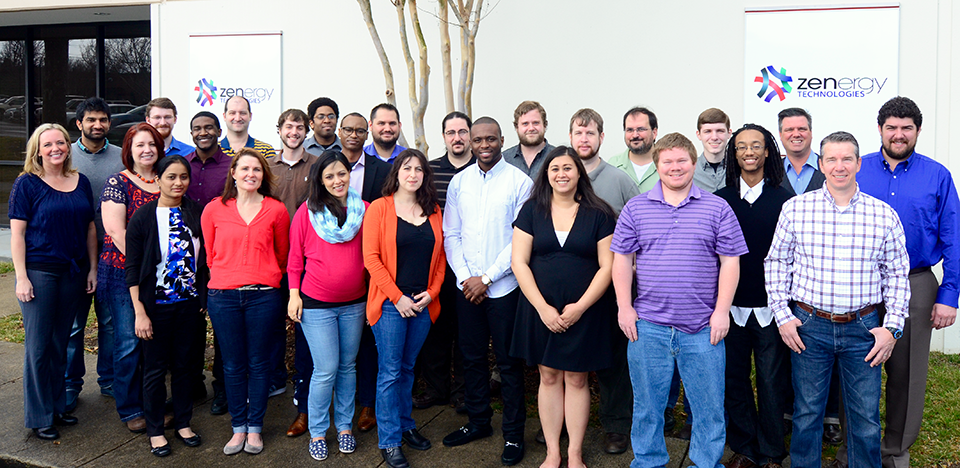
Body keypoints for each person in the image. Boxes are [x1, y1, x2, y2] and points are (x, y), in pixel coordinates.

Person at [765, 131, 911, 468]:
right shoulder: (796, 209)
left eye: (847, 159)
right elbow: (776, 263)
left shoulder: (883, 214)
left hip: (864, 330)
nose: (839, 166)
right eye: (831, 159)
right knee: (807, 414)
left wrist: (892, 328)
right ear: (821, 163)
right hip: (809, 327)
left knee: (865, 420)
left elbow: (897, 275)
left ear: (859, 164)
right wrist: (783, 316)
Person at [612, 133, 747, 468]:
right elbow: (622, 260)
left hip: (703, 328)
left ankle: (705, 463)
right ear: (657, 166)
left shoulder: (717, 207)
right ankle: (649, 462)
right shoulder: (636, 207)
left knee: (709, 409)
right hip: (649, 327)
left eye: (682, 161)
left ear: (693, 162)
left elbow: (730, 261)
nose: (675, 168)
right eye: (667, 161)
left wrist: (721, 313)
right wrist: (625, 308)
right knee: (647, 409)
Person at [839, 97, 959, 468]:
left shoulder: (937, 175)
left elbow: (953, 237)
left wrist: (949, 294)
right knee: (856, 367)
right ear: (880, 129)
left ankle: (894, 448)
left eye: (907, 128)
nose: (899, 134)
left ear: (918, 131)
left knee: (907, 372)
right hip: (860, 284)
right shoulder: (858, 169)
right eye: (891, 127)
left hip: (916, 282)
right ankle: (854, 446)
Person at [511, 146, 616, 468]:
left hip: (585, 311)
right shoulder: (532, 211)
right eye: (554, 168)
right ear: (546, 175)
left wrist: (580, 307)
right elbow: (519, 262)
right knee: (549, 375)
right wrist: (542, 307)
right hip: (540, 310)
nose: (561, 174)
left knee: (578, 379)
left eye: (568, 168)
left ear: (579, 173)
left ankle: (574, 454)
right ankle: (553, 452)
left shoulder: (599, 214)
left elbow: (607, 267)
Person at [442, 117, 532, 466]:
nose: (483, 144)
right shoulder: (459, 182)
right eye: (477, 138)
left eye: (490, 139)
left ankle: (513, 435)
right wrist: (467, 277)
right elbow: (452, 233)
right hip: (467, 289)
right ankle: (478, 422)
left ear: (501, 140)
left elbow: (519, 239)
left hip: (504, 287)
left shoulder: (519, 182)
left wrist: (488, 278)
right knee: (472, 358)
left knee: (509, 364)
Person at [201, 148, 290, 455]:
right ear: (234, 173)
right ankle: (238, 427)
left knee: (259, 362)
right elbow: (210, 255)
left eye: (257, 169)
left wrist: (261, 275)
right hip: (223, 297)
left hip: (263, 297)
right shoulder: (214, 209)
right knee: (234, 365)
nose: (250, 174)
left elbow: (281, 254)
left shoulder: (276, 210)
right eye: (245, 169)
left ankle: (255, 428)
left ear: (263, 175)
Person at [10, 123, 96, 440]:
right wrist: (21, 277)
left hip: (73, 272)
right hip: (39, 272)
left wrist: (92, 269)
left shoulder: (80, 181)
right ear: (38, 150)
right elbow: (17, 234)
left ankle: (58, 406)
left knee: (62, 343)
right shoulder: (27, 184)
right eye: (48, 144)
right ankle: (40, 415)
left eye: (60, 142)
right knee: (38, 347)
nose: (55, 148)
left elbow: (89, 228)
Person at [714, 124, 792, 468]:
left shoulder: (785, 200)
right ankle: (744, 447)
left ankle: (773, 451)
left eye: (756, 146)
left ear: (767, 153)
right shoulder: (720, 199)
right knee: (733, 379)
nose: (748, 152)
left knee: (772, 380)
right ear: (734, 154)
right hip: (728, 307)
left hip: (772, 307)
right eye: (742, 146)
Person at [363, 149, 446, 468]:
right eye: (406, 168)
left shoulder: (433, 210)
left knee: (409, 368)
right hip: (389, 305)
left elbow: (440, 258)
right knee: (390, 372)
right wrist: (397, 297)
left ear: (425, 175)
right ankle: (390, 440)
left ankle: (405, 425)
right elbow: (371, 258)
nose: (412, 174)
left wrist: (432, 292)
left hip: (423, 304)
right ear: (396, 172)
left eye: (419, 169)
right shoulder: (380, 209)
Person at [566, 109, 639, 455]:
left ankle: (615, 426)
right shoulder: (561, 176)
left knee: (612, 359)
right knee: (567, 358)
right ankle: (564, 425)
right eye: (578, 133)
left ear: (601, 138)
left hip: (612, 285)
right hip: (568, 285)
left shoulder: (619, 179)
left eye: (590, 133)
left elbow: (640, 227)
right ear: (570, 138)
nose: (584, 139)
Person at [287, 152, 368, 460]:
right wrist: (294, 296)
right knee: (326, 369)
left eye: (342, 174)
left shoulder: (364, 211)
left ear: (350, 174)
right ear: (321, 180)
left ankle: (345, 427)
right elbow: (295, 260)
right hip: (317, 304)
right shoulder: (307, 213)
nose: (338, 181)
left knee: (348, 367)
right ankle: (318, 431)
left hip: (355, 303)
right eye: (330, 176)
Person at [125, 155, 206, 457]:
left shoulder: (195, 212)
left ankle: (183, 423)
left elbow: (205, 262)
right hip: (154, 307)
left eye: (183, 176)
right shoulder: (143, 218)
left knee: (186, 368)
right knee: (155, 370)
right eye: (171, 177)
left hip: (188, 307)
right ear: (157, 179)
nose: (178, 183)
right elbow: (132, 268)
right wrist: (140, 312)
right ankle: (156, 430)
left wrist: (203, 299)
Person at [100, 123, 164, 433]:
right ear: (129, 149)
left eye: (151, 143)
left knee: (153, 342)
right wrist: (145, 266)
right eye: (139, 145)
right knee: (128, 341)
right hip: (124, 273)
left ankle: (151, 402)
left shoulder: (166, 181)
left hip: (161, 276)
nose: (146, 150)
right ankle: (129, 409)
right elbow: (115, 230)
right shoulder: (118, 183)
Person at [414, 112, 474, 413]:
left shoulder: (481, 169)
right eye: (451, 132)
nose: (457, 138)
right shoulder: (430, 170)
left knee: (466, 332)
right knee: (435, 330)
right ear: (444, 137)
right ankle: (436, 388)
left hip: (471, 266)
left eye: (463, 131)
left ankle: (463, 392)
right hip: (435, 264)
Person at [67, 97, 123, 411]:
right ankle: (70, 386)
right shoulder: (66, 155)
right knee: (74, 327)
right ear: (79, 124)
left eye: (102, 120)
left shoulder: (120, 157)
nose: (97, 125)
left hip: (113, 255)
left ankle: (110, 381)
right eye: (91, 120)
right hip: (75, 257)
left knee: (111, 324)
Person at [338, 111, 393, 432]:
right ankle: (336, 405)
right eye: (349, 129)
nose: (355, 135)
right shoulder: (327, 166)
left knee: (370, 341)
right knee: (344, 346)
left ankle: (368, 406)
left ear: (368, 132)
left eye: (361, 130)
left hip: (374, 266)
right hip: (336, 267)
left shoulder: (383, 171)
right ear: (340, 132)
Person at [183, 110, 232, 415]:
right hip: (186, 255)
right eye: (197, 128)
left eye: (209, 127)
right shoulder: (182, 166)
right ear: (191, 133)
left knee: (222, 327)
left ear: (218, 130)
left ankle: (223, 388)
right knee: (191, 322)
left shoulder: (230, 166)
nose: (203, 132)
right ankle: (193, 382)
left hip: (220, 255)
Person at [607, 107, 660, 193]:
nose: (635, 135)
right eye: (630, 130)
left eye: (641, 129)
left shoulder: (669, 165)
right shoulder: (612, 165)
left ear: (654, 133)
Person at [778, 108, 824, 196]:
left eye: (802, 129)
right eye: (789, 130)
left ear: (811, 133)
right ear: (780, 135)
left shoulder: (830, 168)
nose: (796, 135)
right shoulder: (770, 171)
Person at [503, 100, 555, 177]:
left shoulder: (558, 157)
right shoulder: (504, 160)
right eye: (525, 124)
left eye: (536, 123)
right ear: (516, 127)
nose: (531, 128)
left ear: (545, 125)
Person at [692, 108, 732, 192]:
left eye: (720, 131)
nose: (714, 137)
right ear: (698, 135)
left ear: (729, 133)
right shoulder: (689, 171)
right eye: (707, 131)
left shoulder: (740, 169)